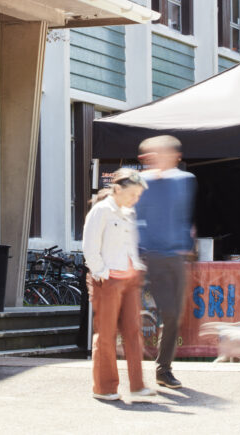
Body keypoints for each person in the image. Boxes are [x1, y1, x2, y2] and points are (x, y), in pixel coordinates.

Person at [82, 168, 157, 403]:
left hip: (129, 279)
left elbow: (130, 244)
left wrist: (137, 265)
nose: (135, 200)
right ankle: (104, 387)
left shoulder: (129, 213)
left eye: (138, 196)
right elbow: (89, 245)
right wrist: (100, 271)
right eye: (132, 194)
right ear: (117, 189)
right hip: (108, 279)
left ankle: (137, 385)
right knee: (106, 335)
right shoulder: (101, 211)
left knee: (133, 333)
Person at [133, 135, 196, 389]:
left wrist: (187, 245)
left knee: (175, 316)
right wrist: (142, 252)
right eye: (153, 154)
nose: (157, 158)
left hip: (177, 257)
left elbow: (184, 217)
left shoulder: (186, 180)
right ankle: (157, 369)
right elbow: (136, 217)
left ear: (175, 156)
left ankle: (163, 370)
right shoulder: (142, 183)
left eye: (163, 153)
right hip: (154, 256)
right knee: (167, 311)